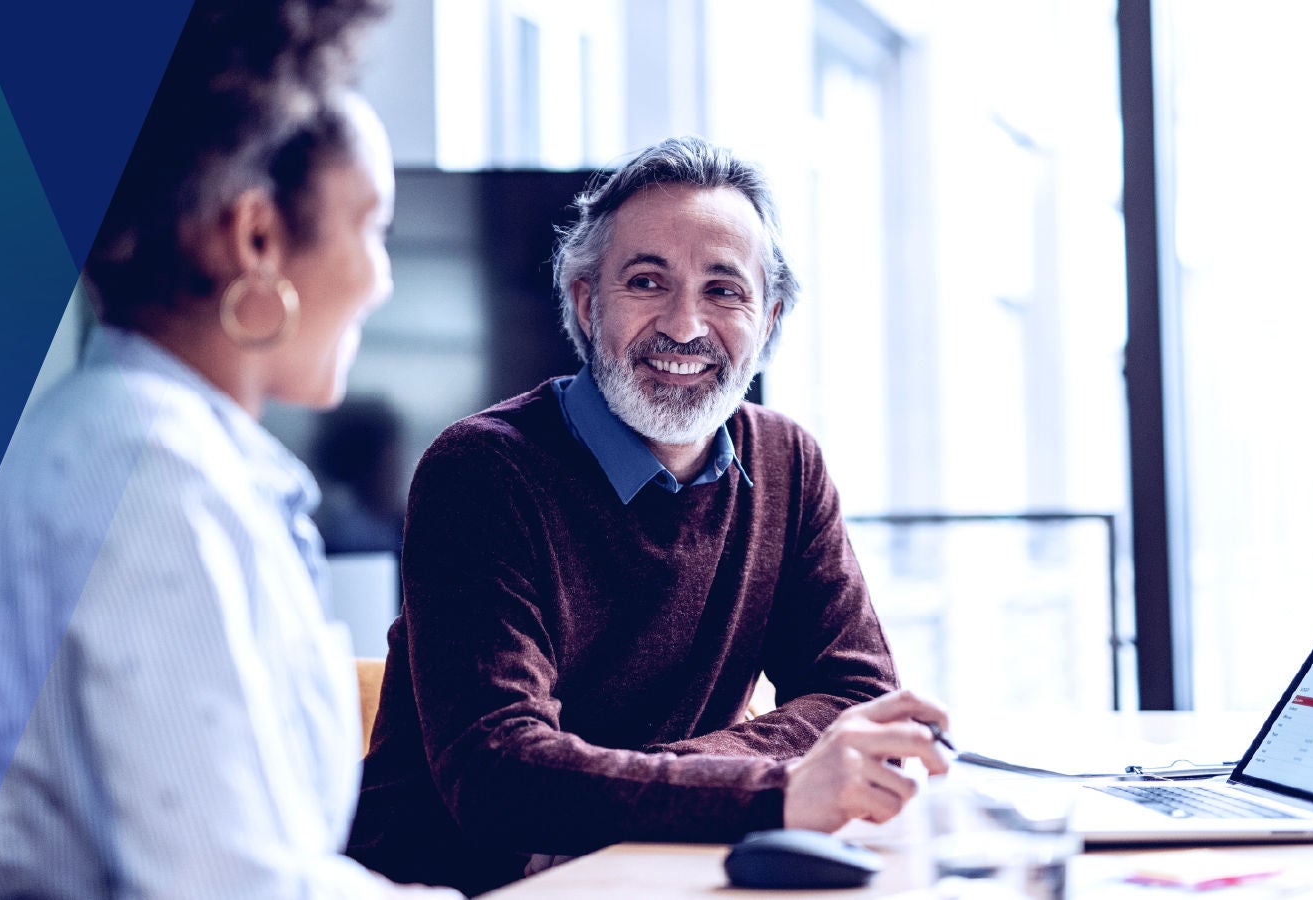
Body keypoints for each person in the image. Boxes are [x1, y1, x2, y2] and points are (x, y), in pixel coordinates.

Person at [0, 2, 455, 897]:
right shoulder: (152, 474)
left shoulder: (146, 443)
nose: (383, 277)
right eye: (374, 227)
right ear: (256, 238)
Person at [348, 136, 952, 895]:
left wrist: (616, 801)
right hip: (465, 888)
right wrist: (771, 791)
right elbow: (497, 772)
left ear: (766, 323)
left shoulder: (787, 463)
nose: (685, 326)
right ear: (584, 302)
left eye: (725, 291)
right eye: (646, 281)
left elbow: (856, 698)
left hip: (674, 869)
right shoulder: (481, 470)